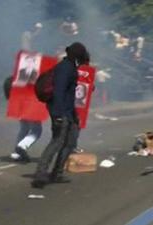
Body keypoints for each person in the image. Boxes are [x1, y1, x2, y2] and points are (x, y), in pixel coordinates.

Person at [31, 42, 90, 188]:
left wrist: (74, 116)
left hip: (69, 112)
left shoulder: (70, 67)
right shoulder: (65, 68)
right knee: (57, 142)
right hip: (61, 112)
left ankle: (57, 173)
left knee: (70, 143)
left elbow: (69, 95)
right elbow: (59, 91)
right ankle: (41, 174)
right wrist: (58, 115)